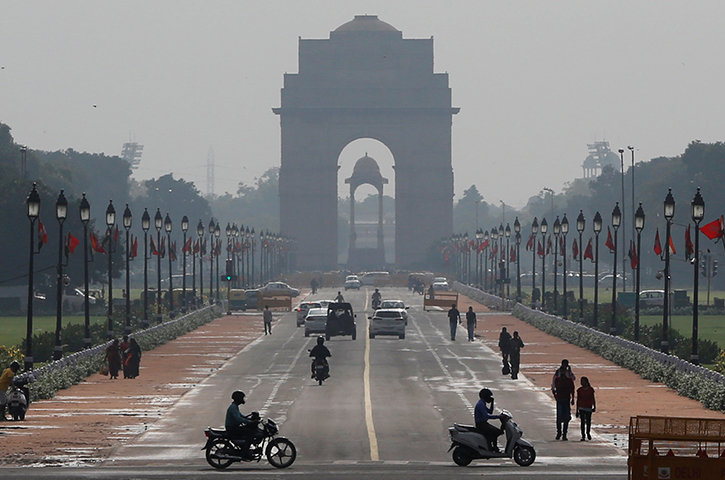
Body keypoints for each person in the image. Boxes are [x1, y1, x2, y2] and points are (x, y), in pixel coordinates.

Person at [225, 390, 261, 457]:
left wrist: (250, 419)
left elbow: (241, 416)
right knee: (251, 433)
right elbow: (238, 419)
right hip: (232, 428)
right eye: (242, 398)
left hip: (234, 427)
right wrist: (250, 422)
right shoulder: (233, 407)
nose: (243, 399)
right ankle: (245, 451)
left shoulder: (235, 407)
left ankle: (245, 448)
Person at [553, 361, 576, 440]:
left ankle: (564, 433)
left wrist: (572, 398)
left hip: (566, 399)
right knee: (559, 416)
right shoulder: (557, 378)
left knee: (566, 417)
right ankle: (559, 432)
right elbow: (554, 386)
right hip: (560, 399)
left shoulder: (569, 380)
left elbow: (572, 389)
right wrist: (555, 395)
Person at [474, 388, 503, 452]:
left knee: (496, 432)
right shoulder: (481, 404)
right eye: (489, 397)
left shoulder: (482, 403)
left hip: (483, 424)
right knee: (496, 432)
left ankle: (492, 446)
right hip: (481, 425)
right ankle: (493, 447)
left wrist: (492, 403)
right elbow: (487, 416)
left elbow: (490, 411)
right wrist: (499, 417)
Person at [576, 376, 596, 441]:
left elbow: (593, 398)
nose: (581, 382)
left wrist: (594, 406)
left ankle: (588, 432)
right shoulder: (579, 390)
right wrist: (577, 410)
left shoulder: (590, 390)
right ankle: (583, 435)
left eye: (583, 381)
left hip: (588, 407)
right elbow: (578, 400)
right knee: (582, 422)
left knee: (588, 421)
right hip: (581, 407)